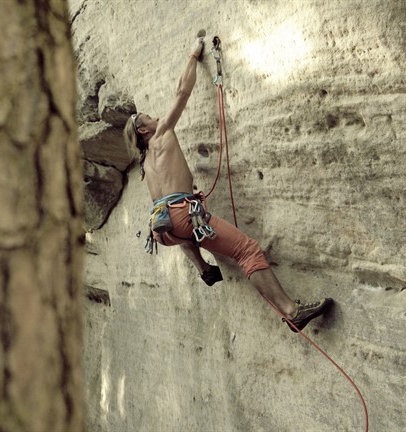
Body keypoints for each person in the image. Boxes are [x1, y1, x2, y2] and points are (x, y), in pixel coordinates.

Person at [123, 35, 332, 333]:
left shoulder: (145, 163)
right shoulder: (160, 135)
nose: (157, 116)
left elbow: (168, 208)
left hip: (162, 227)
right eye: (149, 117)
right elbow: (182, 92)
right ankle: (291, 311)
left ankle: (204, 268)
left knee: (180, 228)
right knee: (247, 250)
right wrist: (193, 57)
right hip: (182, 216)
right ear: (144, 129)